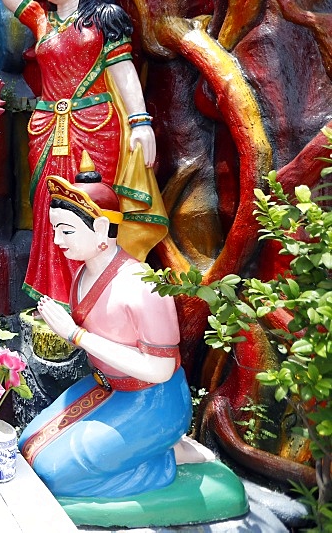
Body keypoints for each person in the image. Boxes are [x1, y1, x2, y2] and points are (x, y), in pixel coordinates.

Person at [0, 0, 168, 306]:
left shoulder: (105, 18)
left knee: (93, 209)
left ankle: (97, 299)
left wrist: (141, 122)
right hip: (46, 129)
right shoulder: (40, 19)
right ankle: (55, 301)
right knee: (50, 212)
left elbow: (124, 73)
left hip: (97, 128)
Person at [19, 162, 206, 498]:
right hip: (106, 389)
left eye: (67, 231)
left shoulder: (141, 286)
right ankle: (137, 452)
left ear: (102, 227)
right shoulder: (81, 275)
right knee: (28, 446)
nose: (58, 241)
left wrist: (76, 335)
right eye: (56, 230)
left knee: (52, 474)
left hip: (152, 400)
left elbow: (160, 370)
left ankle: (163, 459)